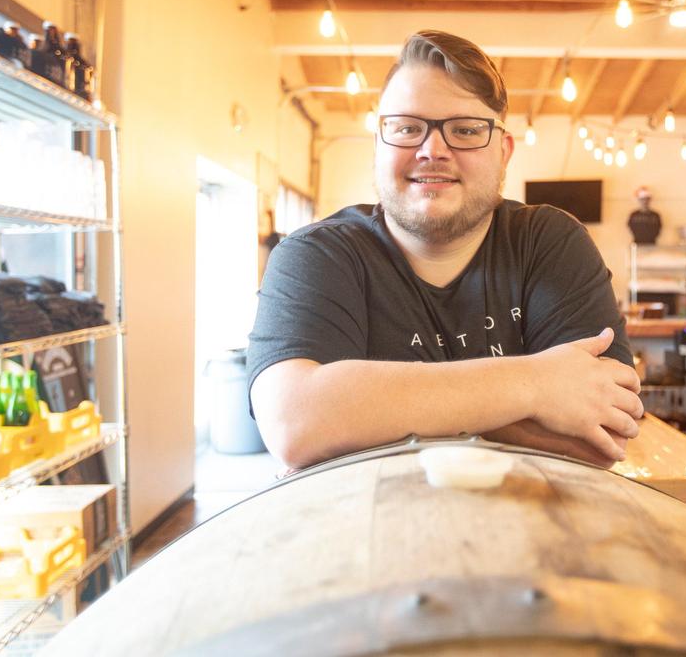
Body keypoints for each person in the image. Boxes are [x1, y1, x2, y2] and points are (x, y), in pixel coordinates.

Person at [247, 30, 643, 470]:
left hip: (532, 531)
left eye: (466, 130)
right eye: (406, 128)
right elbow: (296, 423)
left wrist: (364, 414)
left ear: (503, 152)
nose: (432, 150)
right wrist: (537, 383)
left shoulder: (550, 243)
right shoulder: (318, 254)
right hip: (358, 533)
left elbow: (603, 436)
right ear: (379, 146)